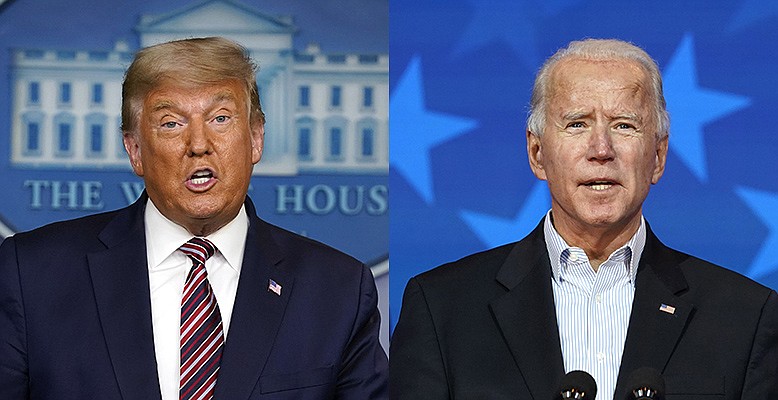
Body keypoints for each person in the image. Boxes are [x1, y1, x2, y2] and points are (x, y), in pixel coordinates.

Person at [0, 37, 387, 399]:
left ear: (255, 138)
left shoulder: (338, 290)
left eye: (220, 118)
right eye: (171, 123)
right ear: (135, 150)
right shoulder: (30, 274)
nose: (199, 145)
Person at [389, 39, 778, 400]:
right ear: (537, 152)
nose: (601, 149)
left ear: (658, 156)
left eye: (624, 125)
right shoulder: (442, 308)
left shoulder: (745, 316)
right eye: (577, 123)